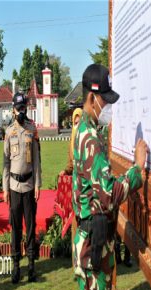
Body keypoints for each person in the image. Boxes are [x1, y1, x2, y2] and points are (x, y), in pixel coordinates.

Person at [72, 64, 147, 290]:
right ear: (92, 97)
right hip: (92, 241)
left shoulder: (88, 129)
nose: (108, 107)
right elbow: (109, 193)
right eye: (104, 100)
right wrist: (137, 169)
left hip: (96, 237)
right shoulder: (91, 139)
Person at [3, 92, 42, 284]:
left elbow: (37, 160)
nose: (21, 111)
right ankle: (16, 267)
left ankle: (32, 268)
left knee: (31, 227)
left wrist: (37, 184)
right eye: (18, 108)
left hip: (28, 186)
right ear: (12, 110)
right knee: (16, 229)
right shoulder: (9, 131)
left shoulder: (32, 129)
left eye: (24, 107)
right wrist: (5, 188)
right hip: (14, 186)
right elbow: (5, 163)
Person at [59, 108, 83, 269]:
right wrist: (66, 171)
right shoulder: (72, 140)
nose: (75, 125)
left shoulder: (87, 139)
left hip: (86, 188)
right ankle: (77, 263)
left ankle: (84, 259)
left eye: (78, 122)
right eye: (74, 123)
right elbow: (70, 162)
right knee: (75, 225)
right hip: (75, 186)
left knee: (84, 226)